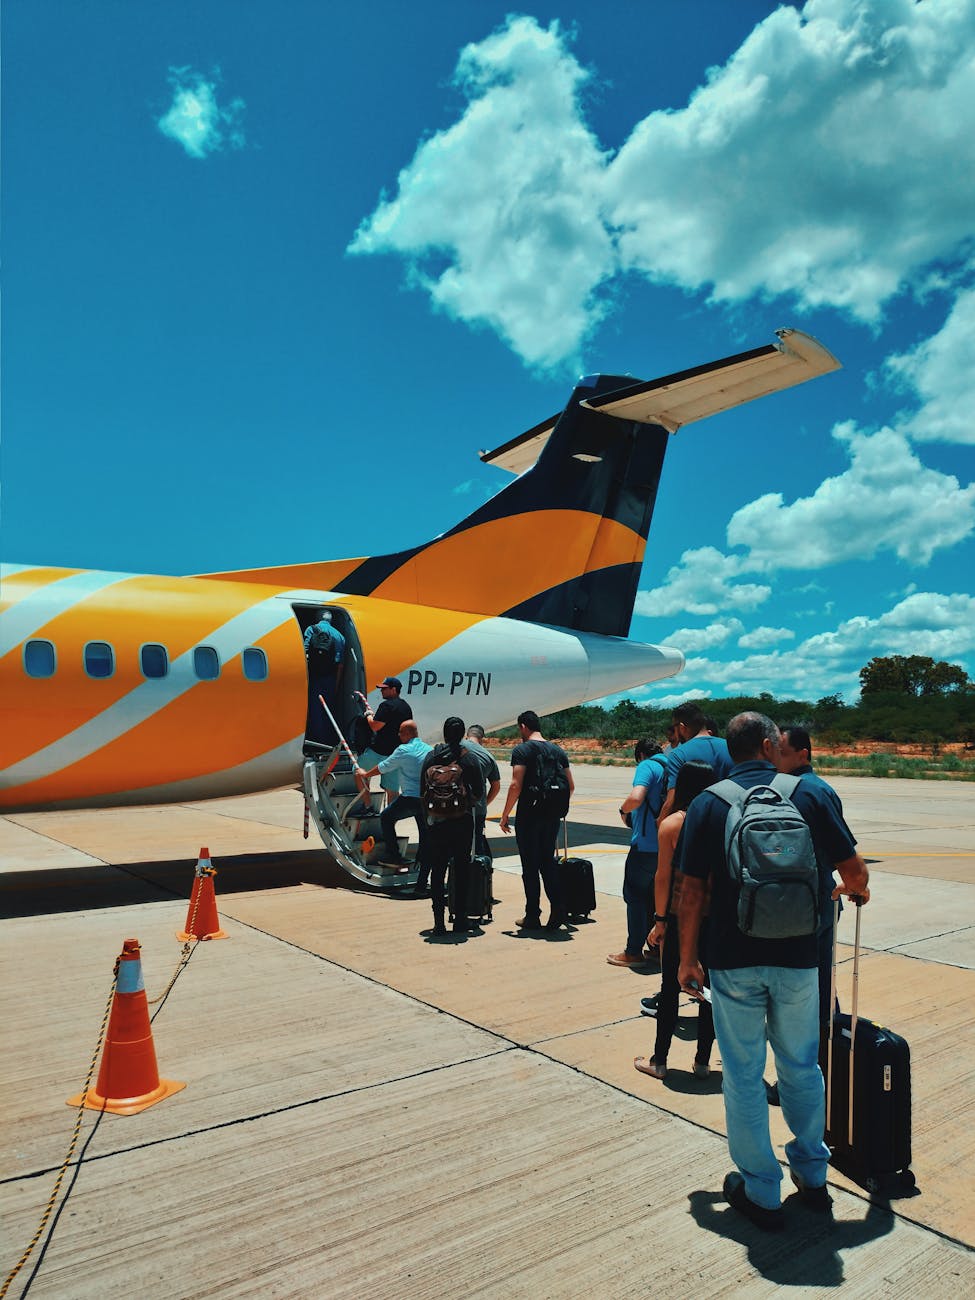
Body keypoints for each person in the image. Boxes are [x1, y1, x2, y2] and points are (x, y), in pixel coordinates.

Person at [677, 712, 871, 1231]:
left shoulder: (708, 803)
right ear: (769, 745)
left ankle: (761, 1188)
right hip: (798, 959)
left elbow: (691, 893)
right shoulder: (809, 794)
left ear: (729, 751)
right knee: (802, 1066)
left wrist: (686, 957)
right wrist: (852, 890)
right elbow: (854, 873)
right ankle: (812, 1176)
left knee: (742, 1074)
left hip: (732, 959)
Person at [763, 724, 856, 1105]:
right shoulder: (803, 790)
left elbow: (845, 852)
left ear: (803, 754)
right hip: (812, 902)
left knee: (801, 996)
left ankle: (803, 1080)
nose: (776, 758)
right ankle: (823, 1070)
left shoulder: (812, 792)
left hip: (801, 905)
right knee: (817, 988)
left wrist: (854, 881)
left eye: (782, 751)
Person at [635, 760, 716, 1079]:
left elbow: (662, 877)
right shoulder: (718, 822)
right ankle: (703, 1062)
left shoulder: (671, 825)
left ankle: (660, 1060)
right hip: (712, 917)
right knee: (709, 991)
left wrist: (659, 921)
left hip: (679, 916)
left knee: (670, 988)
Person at [499, 710, 574, 931]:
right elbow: (570, 786)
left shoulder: (522, 750)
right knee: (547, 862)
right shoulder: (558, 750)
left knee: (530, 867)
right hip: (551, 816)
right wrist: (553, 805)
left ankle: (533, 915)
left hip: (529, 816)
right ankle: (558, 909)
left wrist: (505, 815)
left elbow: (515, 784)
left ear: (523, 726)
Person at [420, 717, 485, 935]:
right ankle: (460, 920)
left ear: (445, 733)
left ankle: (438, 922)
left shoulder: (431, 757)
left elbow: (422, 789)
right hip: (461, 822)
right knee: (461, 870)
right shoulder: (468, 759)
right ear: (462, 734)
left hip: (437, 823)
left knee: (437, 872)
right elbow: (479, 791)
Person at [608, 739, 668, 967]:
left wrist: (623, 811)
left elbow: (636, 797)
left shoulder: (647, 766)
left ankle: (633, 951)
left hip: (645, 846)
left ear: (641, 754)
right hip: (667, 845)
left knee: (635, 897)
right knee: (658, 899)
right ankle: (657, 948)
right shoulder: (673, 766)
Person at [354, 719, 432, 872]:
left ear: (408, 734)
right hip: (425, 798)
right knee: (423, 829)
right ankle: (422, 861)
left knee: (386, 817)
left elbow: (384, 766)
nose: (398, 735)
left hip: (410, 798)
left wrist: (366, 774)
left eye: (401, 732)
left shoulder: (403, 750)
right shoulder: (428, 749)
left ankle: (394, 856)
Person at [656, 703, 732, 825]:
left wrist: (660, 822)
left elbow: (672, 799)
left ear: (681, 727)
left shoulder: (678, 754)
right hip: (731, 822)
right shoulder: (731, 747)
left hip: (696, 825)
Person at [354, 677, 413, 803]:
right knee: (392, 790)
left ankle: (368, 805)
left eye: (384, 689)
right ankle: (390, 818)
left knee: (358, 772)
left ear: (394, 690)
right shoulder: (406, 707)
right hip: (395, 755)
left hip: (378, 753)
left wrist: (369, 715)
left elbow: (375, 726)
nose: (381, 691)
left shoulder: (386, 706)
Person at [303, 612, 346, 747]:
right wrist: (336, 685)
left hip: (314, 676)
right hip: (330, 677)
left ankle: (315, 741)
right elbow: (340, 664)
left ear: (318, 619)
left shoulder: (311, 629)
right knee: (327, 710)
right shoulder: (340, 636)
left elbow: (303, 653)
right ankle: (327, 742)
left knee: (314, 709)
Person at [461, 724, 501, 859]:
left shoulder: (458, 747)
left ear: (467, 735)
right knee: (477, 844)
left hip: (454, 806)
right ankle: (478, 875)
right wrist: (484, 803)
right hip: (477, 809)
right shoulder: (488, 756)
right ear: (482, 738)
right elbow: (496, 787)